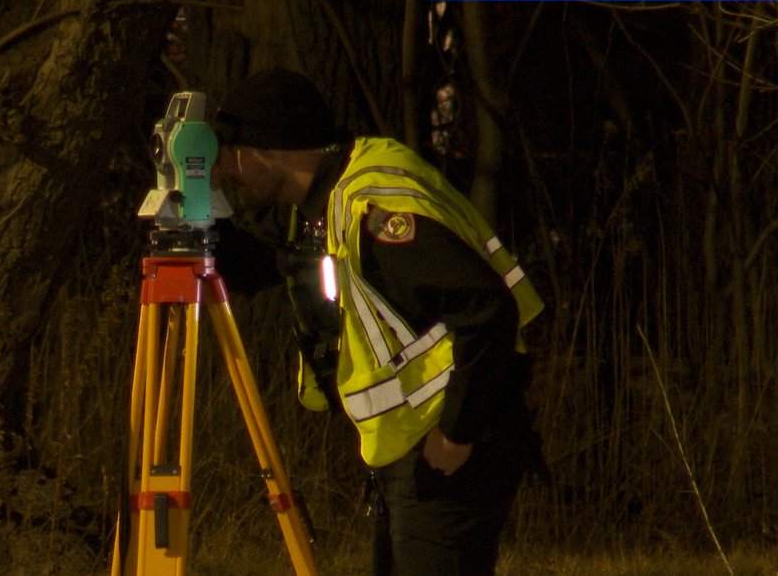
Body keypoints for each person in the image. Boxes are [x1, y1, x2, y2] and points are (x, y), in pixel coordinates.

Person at [209, 67, 546, 576]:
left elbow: (485, 309)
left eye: (230, 156)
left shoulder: (371, 207)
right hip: (410, 448)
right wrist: (192, 237)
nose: (225, 171)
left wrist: (458, 432)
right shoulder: (326, 202)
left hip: (449, 447)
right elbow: (288, 266)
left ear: (267, 148)